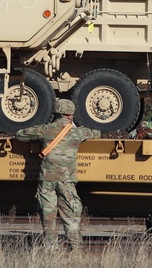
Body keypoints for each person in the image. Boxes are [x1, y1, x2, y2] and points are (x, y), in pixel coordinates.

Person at [15, 99, 100, 249]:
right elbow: (96, 133)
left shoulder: (46, 130)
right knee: (71, 216)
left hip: (46, 180)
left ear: (57, 114)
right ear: (70, 115)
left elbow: (20, 135)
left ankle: (51, 250)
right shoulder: (78, 132)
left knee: (48, 216)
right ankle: (75, 249)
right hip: (67, 181)